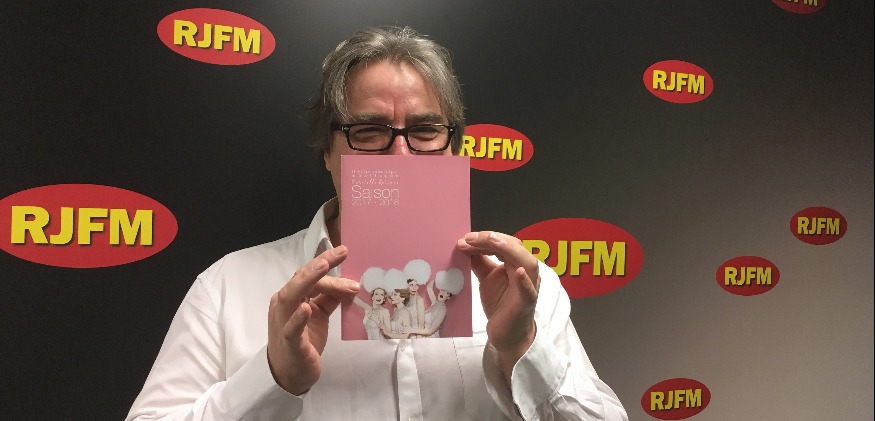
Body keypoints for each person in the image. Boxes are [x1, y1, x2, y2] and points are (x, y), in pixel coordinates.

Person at [126, 26, 628, 420]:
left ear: (453, 147)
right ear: (327, 151)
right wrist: (273, 377)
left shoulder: (522, 287)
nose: (401, 155)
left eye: (425, 130)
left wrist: (522, 347)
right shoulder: (226, 288)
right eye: (368, 131)